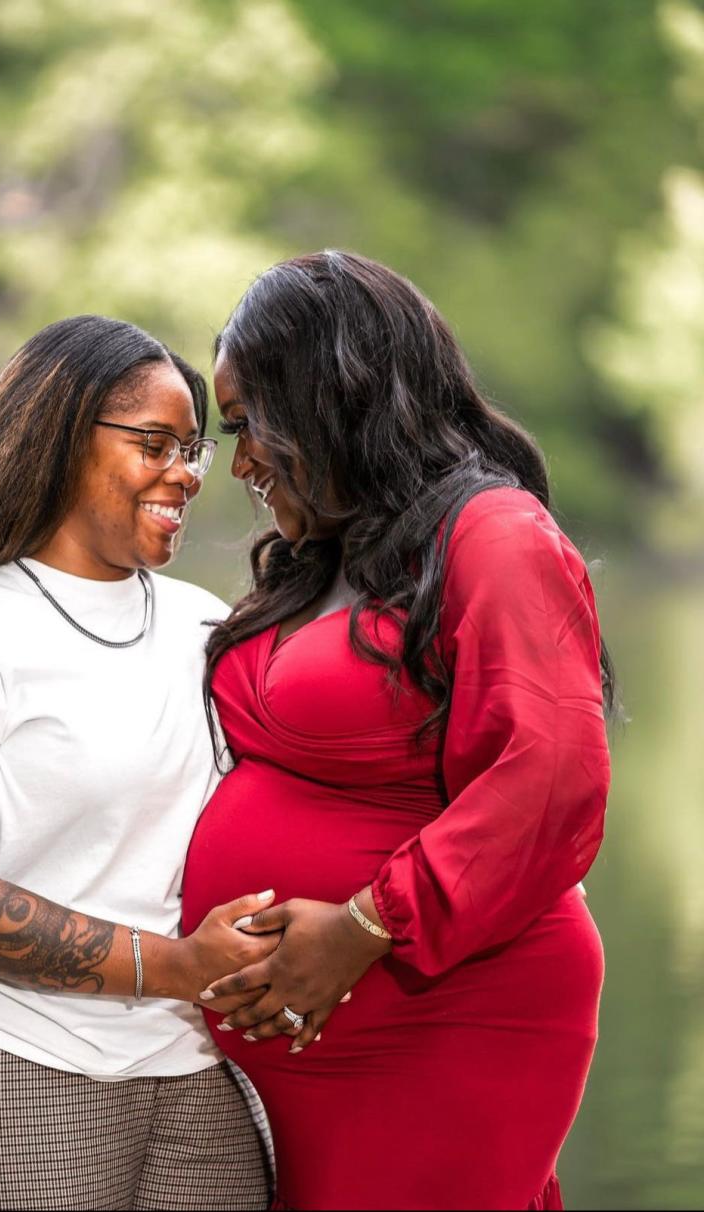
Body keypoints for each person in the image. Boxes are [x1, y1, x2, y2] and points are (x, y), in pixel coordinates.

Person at [181, 252, 614, 1211]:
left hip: (444, 1010)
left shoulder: (495, 535)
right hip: (302, 1035)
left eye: (250, 424)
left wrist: (366, 928)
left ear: (330, 399)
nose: (240, 461)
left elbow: (549, 776)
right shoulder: (323, 557)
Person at [0, 315, 275, 1212]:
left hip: (190, 1062)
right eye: (153, 444)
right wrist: (178, 966)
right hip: (3, 1056)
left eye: (193, 447)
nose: (187, 474)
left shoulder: (207, 626)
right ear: (54, 437)